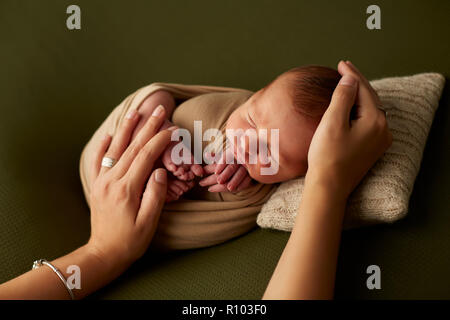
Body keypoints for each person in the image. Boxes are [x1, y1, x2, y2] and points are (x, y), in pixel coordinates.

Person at [0, 61, 391, 299]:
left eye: (271, 154)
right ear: (252, 97)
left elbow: (226, 201)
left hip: (128, 221)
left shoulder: (258, 187)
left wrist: (243, 175)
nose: (247, 143)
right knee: (152, 105)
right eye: (252, 120)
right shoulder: (223, 111)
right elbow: (165, 100)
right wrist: (165, 139)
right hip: (125, 153)